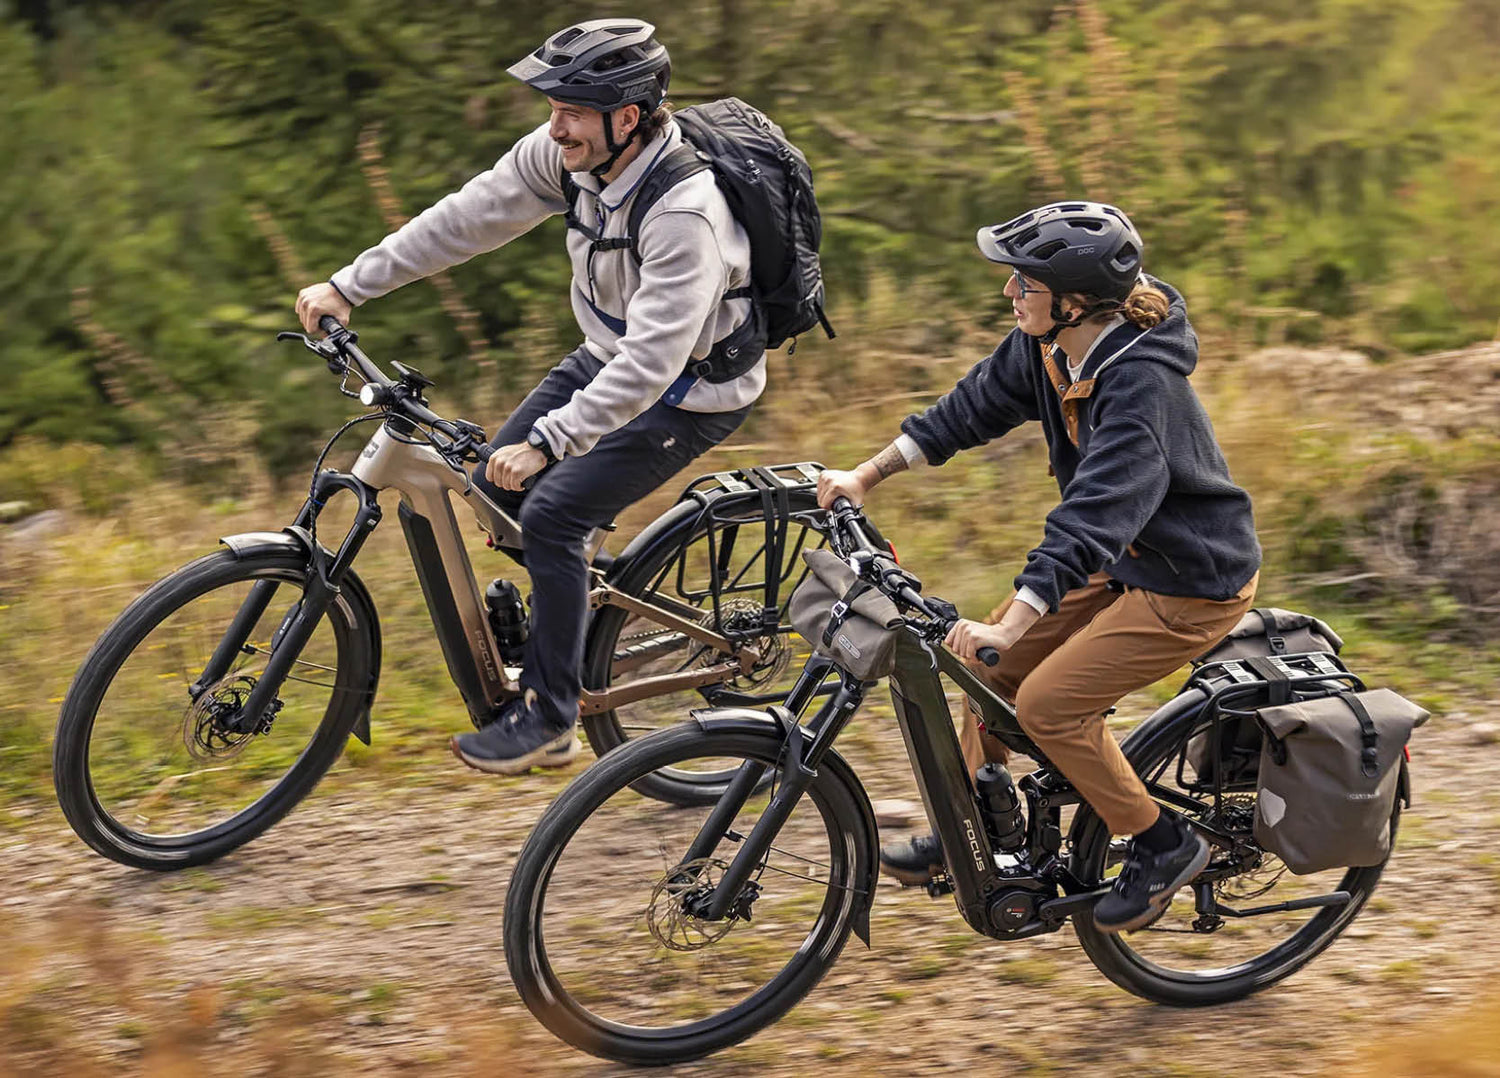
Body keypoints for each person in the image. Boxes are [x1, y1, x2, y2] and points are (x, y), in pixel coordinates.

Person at [295, 19, 764, 776]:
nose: (556, 127)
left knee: (550, 512)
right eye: (554, 107)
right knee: (491, 489)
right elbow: (468, 216)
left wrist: (552, 440)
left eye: (573, 110)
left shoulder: (685, 215)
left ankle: (551, 714)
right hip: (610, 353)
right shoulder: (574, 162)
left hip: (690, 388)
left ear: (628, 117)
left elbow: (653, 364)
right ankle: (571, 614)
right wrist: (351, 285)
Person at [816, 202, 1262, 934]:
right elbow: (967, 410)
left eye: (1023, 281)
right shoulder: (1050, 346)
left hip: (1190, 581)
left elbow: (1095, 515)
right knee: (984, 672)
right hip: (1122, 558)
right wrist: (866, 475)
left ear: (1075, 301)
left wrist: (1014, 621)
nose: (1008, 293)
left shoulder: (1140, 384)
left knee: (1049, 704)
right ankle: (974, 837)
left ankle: (1161, 844)